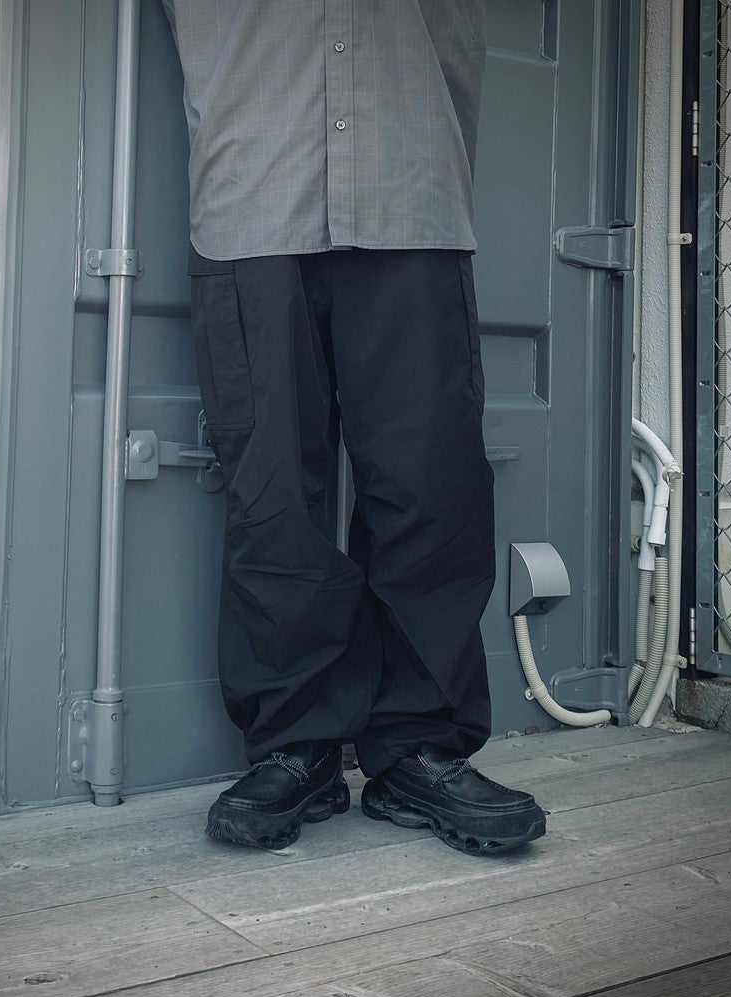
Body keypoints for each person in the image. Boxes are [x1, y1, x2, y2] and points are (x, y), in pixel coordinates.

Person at [161, 0, 546, 854]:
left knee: (431, 485)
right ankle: (294, 745)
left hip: (412, 190)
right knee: (271, 494)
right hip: (254, 194)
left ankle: (418, 749)